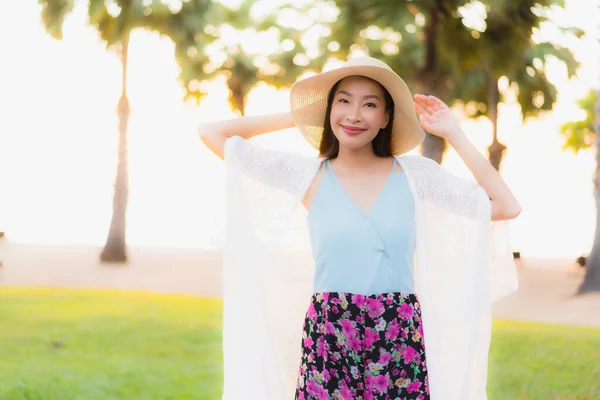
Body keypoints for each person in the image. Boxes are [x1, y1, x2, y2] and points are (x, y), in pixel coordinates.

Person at [199, 57, 521, 400]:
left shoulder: (416, 176)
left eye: (369, 104)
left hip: (398, 333)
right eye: (343, 101)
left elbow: (505, 206)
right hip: (329, 332)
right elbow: (211, 132)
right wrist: (300, 116)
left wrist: (453, 133)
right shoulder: (308, 176)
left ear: (385, 118)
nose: (354, 114)